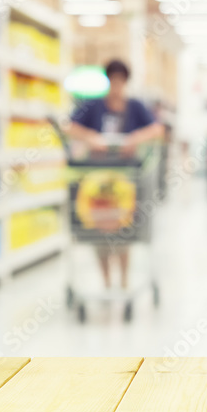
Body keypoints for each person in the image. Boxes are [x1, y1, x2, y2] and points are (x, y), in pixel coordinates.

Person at [63, 59, 165, 291]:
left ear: (126, 82)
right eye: (113, 80)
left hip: (127, 181)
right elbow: (69, 127)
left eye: (121, 80)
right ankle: (107, 282)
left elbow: (157, 129)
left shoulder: (136, 107)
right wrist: (91, 138)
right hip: (97, 182)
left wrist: (134, 139)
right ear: (108, 80)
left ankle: (124, 281)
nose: (117, 85)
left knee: (124, 234)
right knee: (98, 234)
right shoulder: (93, 106)